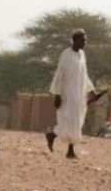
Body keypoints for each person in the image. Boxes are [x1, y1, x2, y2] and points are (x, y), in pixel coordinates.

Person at [45, 29, 99, 159]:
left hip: (80, 93)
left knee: (77, 121)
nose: (84, 42)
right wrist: (57, 95)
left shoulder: (82, 55)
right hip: (68, 93)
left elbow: (84, 75)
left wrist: (92, 91)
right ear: (75, 40)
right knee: (69, 120)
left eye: (85, 40)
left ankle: (56, 138)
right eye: (82, 40)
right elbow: (59, 75)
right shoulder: (66, 55)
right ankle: (65, 146)